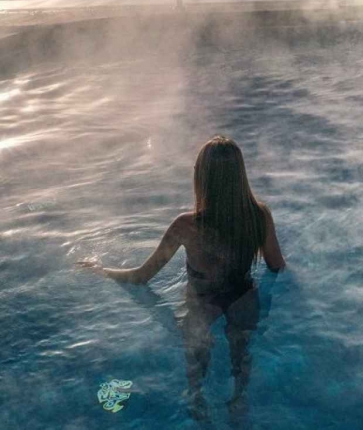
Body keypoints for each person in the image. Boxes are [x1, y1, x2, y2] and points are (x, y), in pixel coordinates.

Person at [78, 136, 284, 420]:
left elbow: (141, 277)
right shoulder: (259, 216)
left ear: (201, 178)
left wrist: (101, 269)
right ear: (240, 176)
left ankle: (197, 398)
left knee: (196, 347)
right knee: (242, 348)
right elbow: (276, 267)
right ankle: (238, 400)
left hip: (202, 300)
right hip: (242, 297)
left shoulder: (186, 225)